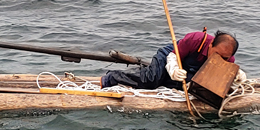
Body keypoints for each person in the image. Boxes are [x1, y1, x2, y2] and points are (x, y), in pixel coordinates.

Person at [101, 30, 239, 90]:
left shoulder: (229, 60)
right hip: (170, 55)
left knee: (187, 87)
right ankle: (112, 77)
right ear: (211, 45)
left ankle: (147, 74)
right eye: (216, 54)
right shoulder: (196, 39)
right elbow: (173, 56)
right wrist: (173, 69)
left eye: (224, 58)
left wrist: (235, 77)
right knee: (151, 79)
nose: (219, 59)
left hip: (189, 70)